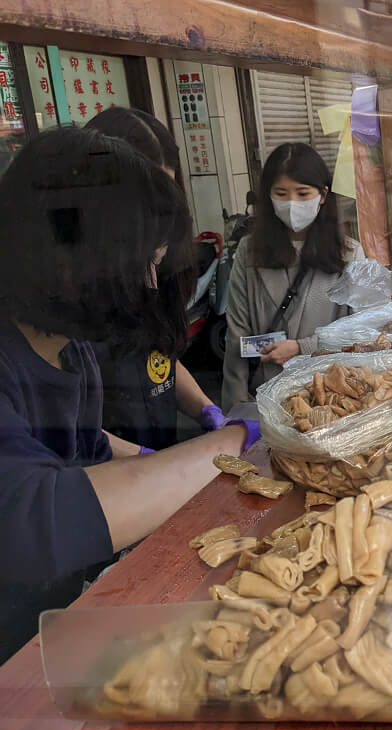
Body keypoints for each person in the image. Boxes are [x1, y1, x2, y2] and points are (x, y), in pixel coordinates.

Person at [0, 127, 258, 661]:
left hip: (65, 622)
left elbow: (79, 443)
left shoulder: (72, 350)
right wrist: (230, 444)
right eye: (138, 264)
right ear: (65, 256)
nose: (147, 285)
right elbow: (31, 519)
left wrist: (157, 462)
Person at [85, 107, 223, 449]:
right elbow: (62, 426)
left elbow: (161, 364)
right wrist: (142, 461)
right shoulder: (64, 300)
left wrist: (207, 409)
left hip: (158, 465)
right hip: (100, 485)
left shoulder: (159, 268)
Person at [222, 142, 360, 412]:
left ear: (322, 195)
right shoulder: (249, 252)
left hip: (328, 400)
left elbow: (357, 332)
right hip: (267, 398)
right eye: (281, 194)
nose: (292, 203)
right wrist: (235, 411)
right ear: (269, 196)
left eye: (302, 193)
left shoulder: (349, 255)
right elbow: (236, 336)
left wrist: (301, 347)